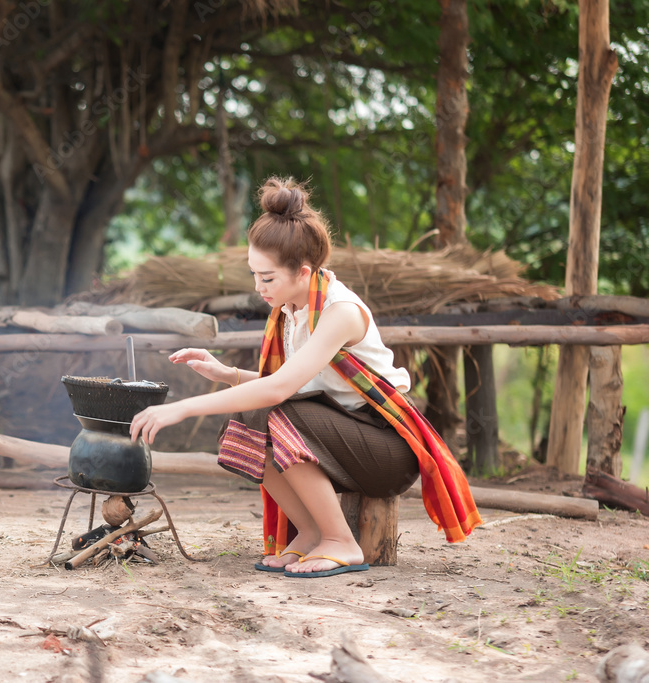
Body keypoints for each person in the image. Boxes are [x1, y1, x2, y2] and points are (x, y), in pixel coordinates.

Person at [130, 176, 481, 577]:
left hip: (385, 449)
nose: (258, 287)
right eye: (253, 275)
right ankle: (313, 532)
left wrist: (183, 409)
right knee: (247, 419)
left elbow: (280, 388)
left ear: (303, 271)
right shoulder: (292, 309)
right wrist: (227, 373)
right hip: (339, 434)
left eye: (267, 278)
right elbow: (298, 384)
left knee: (275, 410)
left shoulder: (339, 312)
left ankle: (341, 541)